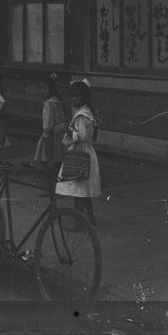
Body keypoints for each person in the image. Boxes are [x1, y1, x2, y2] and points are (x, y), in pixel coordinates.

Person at [53, 80, 103, 228]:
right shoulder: (87, 112)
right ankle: (91, 219)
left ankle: (79, 222)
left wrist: (67, 130)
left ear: (85, 98)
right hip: (84, 152)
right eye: (72, 96)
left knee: (77, 190)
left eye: (77, 96)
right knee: (83, 189)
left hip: (79, 154)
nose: (74, 99)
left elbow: (81, 135)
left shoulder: (82, 115)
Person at [35, 75, 68, 163]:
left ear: (52, 89)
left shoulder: (49, 104)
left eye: (44, 88)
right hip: (60, 134)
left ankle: (50, 174)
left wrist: (46, 132)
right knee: (57, 157)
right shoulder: (57, 101)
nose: (42, 91)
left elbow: (47, 125)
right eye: (40, 88)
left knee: (47, 157)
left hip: (50, 135)